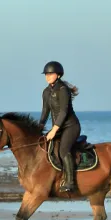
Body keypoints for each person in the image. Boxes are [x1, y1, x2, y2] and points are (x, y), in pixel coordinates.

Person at [38, 61, 81, 193]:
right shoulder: (46, 92)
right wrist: (38, 129)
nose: (47, 76)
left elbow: (63, 112)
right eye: (46, 74)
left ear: (58, 75)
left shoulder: (63, 90)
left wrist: (54, 130)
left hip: (70, 127)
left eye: (50, 73)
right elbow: (45, 112)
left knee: (63, 150)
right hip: (57, 128)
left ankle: (70, 182)